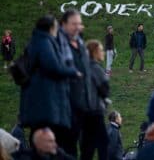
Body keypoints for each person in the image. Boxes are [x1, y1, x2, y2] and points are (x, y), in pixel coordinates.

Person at [20, 15, 81, 154]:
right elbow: (53, 66)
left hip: (38, 99)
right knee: (48, 139)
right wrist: (73, 71)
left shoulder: (35, 41)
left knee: (40, 136)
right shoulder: (44, 42)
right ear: (50, 28)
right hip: (45, 100)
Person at [58, 9, 93, 158]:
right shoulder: (57, 44)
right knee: (66, 149)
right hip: (64, 107)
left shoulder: (80, 44)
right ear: (63, 24)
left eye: (80, 24)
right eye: (74, 24)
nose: (78, 27)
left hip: (81, 106)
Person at [84, 40, 110, 160]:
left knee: (87, 146)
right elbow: (105, 89)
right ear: (94, 52)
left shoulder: (83, 66)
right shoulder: (96, 68)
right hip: (95, 110)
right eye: (100, 50)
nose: (103, 52)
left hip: (84, 111)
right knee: (103, 143)